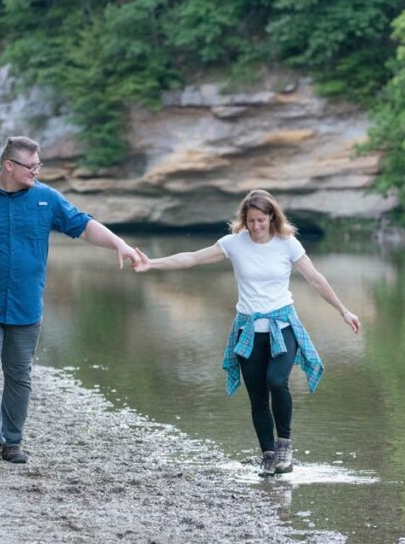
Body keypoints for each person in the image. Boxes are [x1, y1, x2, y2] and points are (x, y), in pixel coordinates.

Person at [0, 136, 139, 466]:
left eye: (38, 165)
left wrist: (120, 244)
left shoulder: (46, 199)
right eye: (30, 166)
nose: (36, 171)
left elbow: (83, 225)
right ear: (8, 166)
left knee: (19, 375)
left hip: (26, 304)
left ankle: (13, 442)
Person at [132, 189, 361, 477]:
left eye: (262, 220)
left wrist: (344, 311)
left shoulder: (287, 244)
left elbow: (315, 279)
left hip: (283, 325)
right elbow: (192, 258)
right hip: (248, 330)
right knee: (257, 396)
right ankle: (267, 455)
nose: (256, 226)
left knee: (277, 381)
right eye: (251, 220)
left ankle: (284, 447)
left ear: (272, 217)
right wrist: (152, 263)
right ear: (244, 219)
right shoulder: (234, 243)